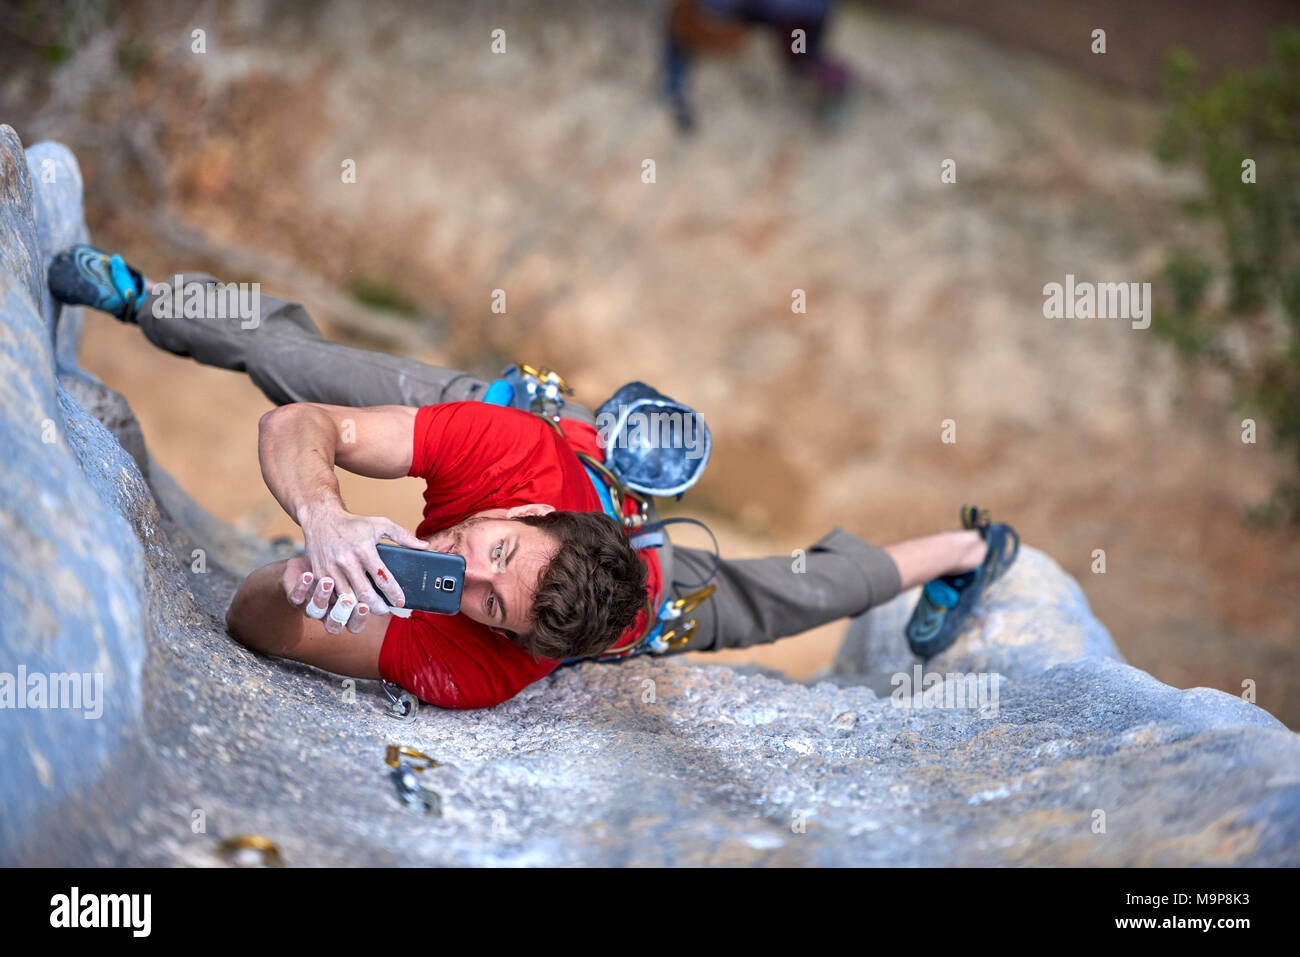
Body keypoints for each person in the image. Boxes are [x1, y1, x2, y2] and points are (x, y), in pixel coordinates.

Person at [48, 244, 1018, 710]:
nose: (465, 577)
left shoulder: (484, 665)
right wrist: (322, 515)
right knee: (304, 366)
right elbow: (302, 424)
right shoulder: (507, 456)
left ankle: (975, 548)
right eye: (494, 552)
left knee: (798, 596)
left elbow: (253, 622)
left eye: (488, 601)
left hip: (627, 590)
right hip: (540, 434)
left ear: (515, 643)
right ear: (520, 510)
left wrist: (301, 584)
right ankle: (146, 296)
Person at [663, 0, 855, 132]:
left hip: (799, 22)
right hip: (780, 16)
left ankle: (835, 86)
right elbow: (682, 25)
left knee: (802, 61)